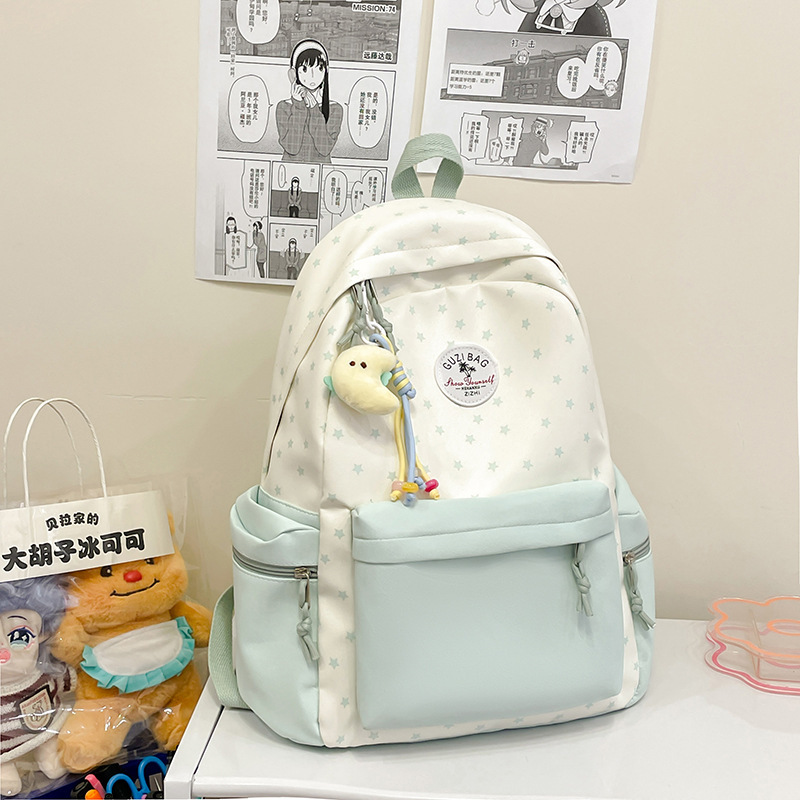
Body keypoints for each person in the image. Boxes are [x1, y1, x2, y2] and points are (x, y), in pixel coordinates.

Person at [276, 39, 343, 164]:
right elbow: (291, 147)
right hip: (290, 170)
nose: (313, 75)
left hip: (320, 172)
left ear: (326, 71)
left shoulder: (334, 109)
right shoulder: (284, 107)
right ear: (293, 73)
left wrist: (314, 110)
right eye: (305, 69)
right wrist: (298, 106)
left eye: (319, 68)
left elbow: (324, 149)